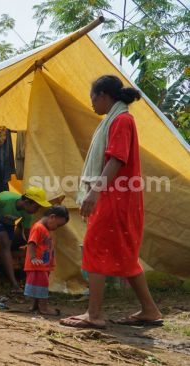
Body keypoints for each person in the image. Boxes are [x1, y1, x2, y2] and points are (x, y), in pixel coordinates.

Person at [60, 75, 162, 329]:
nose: (92, 104)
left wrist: (94, 191)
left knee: (94, 246)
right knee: (125, 253)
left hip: (114, 196)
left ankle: (93, 314)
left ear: (103, 95)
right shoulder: (118, 119)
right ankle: (150, 310)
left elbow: (116, 159)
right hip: (121, 196)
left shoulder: (121, 120)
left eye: (93, 98)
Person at [0, 186, 51, 293]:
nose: (37, 210)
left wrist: (31, 245)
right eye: (37, 207)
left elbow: (27, 231)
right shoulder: (3, 200)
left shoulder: (28, 213)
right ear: (27, 202)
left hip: (8, 223)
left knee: (7, 245)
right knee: (4, 241)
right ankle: (14, 283)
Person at [24, 205, 69, 315]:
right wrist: (33, 258)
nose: (56, 228)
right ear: (52, 217)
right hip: (38, 264)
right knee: (42, 286)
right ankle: (43, 308)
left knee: (36, 285)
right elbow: (31, 242)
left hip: (43, 265)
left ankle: (34, 306)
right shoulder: (38, 227)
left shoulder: (45, 229)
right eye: (58, 225)